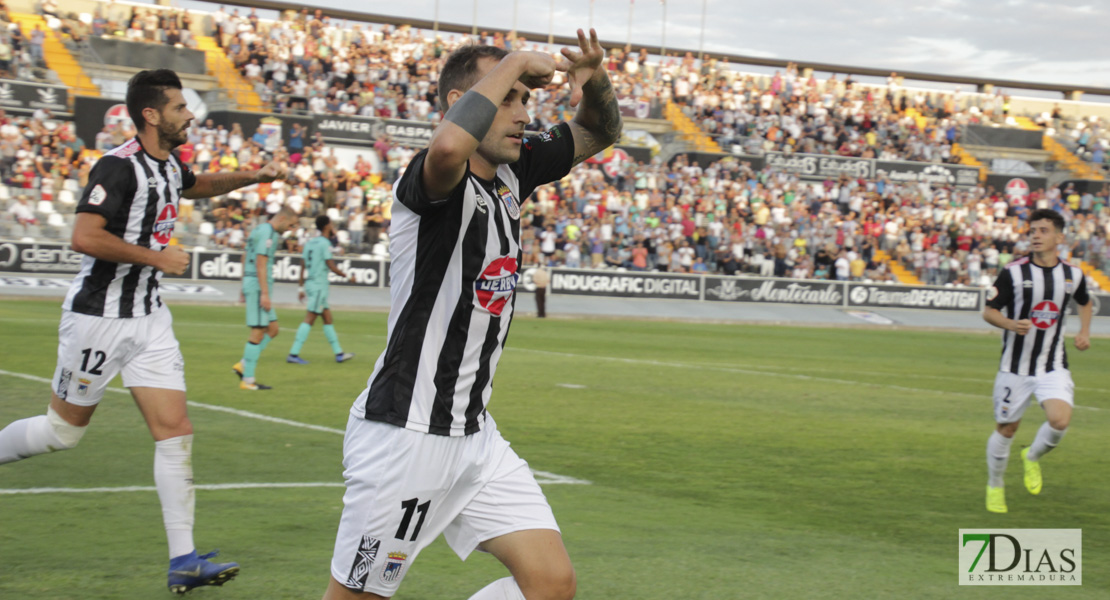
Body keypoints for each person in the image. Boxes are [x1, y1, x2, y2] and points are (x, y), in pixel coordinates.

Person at [323, 29, 620, 600]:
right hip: (406, 434)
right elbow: (446, 150)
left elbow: (600, 130)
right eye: (507, 98)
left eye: (525, 99)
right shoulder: (431, 180)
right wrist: (512, 62)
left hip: (475, 436)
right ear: (464, 104)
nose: (522, 113)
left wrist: (594, 77)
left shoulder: (516, 170)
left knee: (551, 584)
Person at [0, 69, 286, 593]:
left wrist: (253, 176)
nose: (190, 115)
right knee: (62, 433)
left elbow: (196, 186)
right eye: (179, 107)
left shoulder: (169, 165)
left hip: (149, 319)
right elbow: (84, 236)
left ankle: (184, 560)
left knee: (175, 431)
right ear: (151, 115)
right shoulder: (118, 166)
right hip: (98, 320)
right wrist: (156, 256)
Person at [981, 209, 1092, 513]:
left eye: (1043, 231)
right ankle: (995, 485)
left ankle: (1030, 457)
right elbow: (989, 310)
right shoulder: (1013, 272)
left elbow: (1085, 301)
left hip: (1052, 364)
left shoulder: (1072, 274)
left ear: (1059, 237)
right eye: (1032, 231)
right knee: (1006, 428)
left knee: (1060, 421)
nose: (1036, 236)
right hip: (1014, 368)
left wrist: (1084, 331)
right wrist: (1010, 324)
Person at [231, 206, 299, 390]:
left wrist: (242, 283)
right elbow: (261, 262)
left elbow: (245, 255)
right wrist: (265, 294)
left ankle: (244, 363)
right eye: (290, 225)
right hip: (258, 285)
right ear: (283, 218)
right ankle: (248, 380)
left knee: (273, 329)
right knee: (259, 329)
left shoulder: (259, 229)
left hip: (252, 282)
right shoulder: (268, 233)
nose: (290, 229)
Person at [286, 215, 356, 364]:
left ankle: (339, 353)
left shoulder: (310, 243)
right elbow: (331, 265)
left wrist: (300, 288)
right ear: (326, 226)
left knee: (327, 318)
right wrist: (348, 277)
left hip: (311, 284)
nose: (332, 227)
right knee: (310, 318)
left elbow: (303, 265)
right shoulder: (324, 244)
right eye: (330, 224)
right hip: (319, 286)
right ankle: (293, 353)